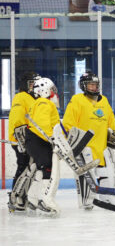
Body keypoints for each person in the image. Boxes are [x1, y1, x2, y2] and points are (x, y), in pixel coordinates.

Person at [62, 70, 115, 210]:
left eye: (96, 85)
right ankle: (87, 200)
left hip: (102, 146)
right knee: (86, 186)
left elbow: (110, 122)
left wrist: (113, 135)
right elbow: (68, 124)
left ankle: (107, 197)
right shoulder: (77, 100)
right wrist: (73, 143)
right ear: (83, 86)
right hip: (85, 148)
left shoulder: (104, 100)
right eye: (91, 85)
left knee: (107, 173)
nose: (94, 88)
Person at [25, 77, 62, 215]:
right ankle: (45, 201)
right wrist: (53, 139)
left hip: (35, 140)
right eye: (52, 89)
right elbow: (42, 124)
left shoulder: (39, 102)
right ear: (45, 90)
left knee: (41, 168)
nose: (54, 93)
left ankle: (33, 199)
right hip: (39, 140)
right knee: (48, 167)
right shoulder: (44, 103)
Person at [7, 72, 41, 212]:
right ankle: (16, 197)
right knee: (24, 167)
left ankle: (23, 195)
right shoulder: (21, 96)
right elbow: (17, 118)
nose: (34, 86)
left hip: (31, 139)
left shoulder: (34, 98)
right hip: (22, 139)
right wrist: (20, 138)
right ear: (24, 85)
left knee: (31, 167)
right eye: (32, 83)